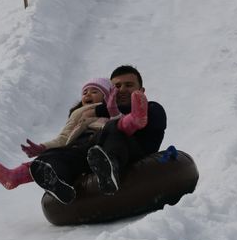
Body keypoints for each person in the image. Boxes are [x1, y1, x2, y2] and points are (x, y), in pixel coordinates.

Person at [30, 65, 167, 204]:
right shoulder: (103, 113)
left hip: (132, 153)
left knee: (113, 127)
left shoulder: (153, 108)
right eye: (117, 86)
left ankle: (110, 167)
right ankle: (60, 184)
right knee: (54, 154)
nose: (122, 90)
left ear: (141, 90)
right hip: (96, 154)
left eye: (129, 85)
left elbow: (147, 122)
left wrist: (100, 110)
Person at [0, 77, 117, 190]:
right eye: (85, 92)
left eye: (94, 91)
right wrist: (43, 147)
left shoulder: (113, 108)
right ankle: (15, 177)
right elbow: (63, 138)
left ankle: (106, 167)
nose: (88, 94)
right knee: (50, 156)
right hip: (79, 145)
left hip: (102, 140)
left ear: (106, 96)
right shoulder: (78, 112)